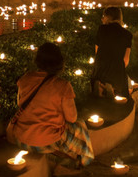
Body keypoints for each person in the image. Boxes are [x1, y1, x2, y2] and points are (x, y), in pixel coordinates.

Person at [13, 42, 94, 171]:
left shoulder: (25, 78)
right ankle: (83, 162)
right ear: (59, 62)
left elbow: (19, 104)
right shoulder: (63, 85)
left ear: (38, 60)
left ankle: (59, 158)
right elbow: (72, 118)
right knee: (79, 126)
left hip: (22, 139)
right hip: (44, 143)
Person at [91, 7, 132, 97]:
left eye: (103, 16)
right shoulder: (127, 34)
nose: (102, 19)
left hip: (100, 69)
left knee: (99, 75)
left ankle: (102, 85)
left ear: (109, 17)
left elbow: (97, 53)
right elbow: (126, 59)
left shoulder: (102, 29)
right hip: (116, 70)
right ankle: (113, 87)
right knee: (126, 86)